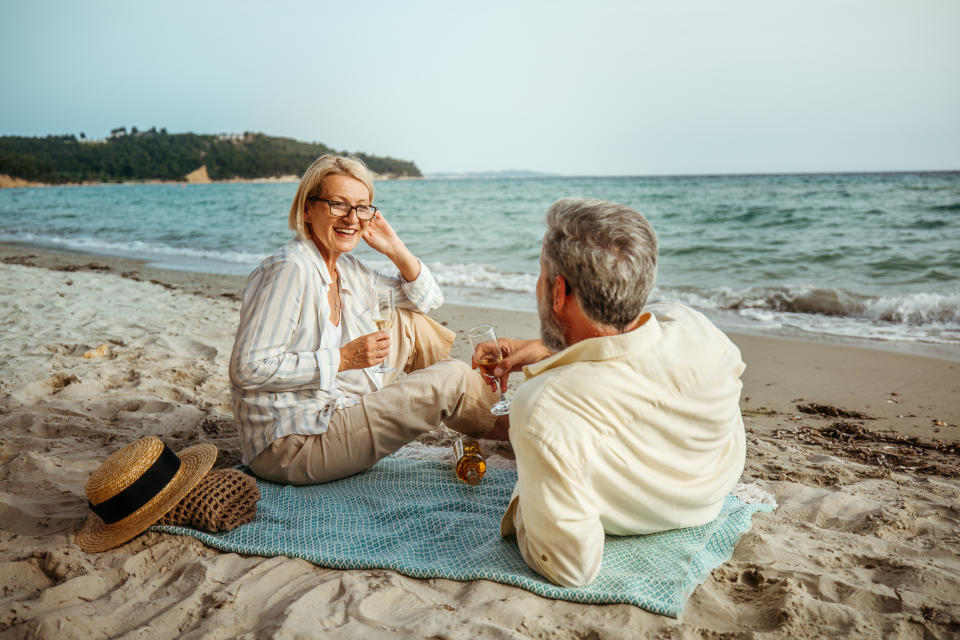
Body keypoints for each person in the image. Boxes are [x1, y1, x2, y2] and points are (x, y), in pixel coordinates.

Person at [483, 197, 746, 587]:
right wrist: (550, 348)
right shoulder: (697, 328)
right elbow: (628, 340)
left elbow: (570, 568)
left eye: (540, 275)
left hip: (645, 514)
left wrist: (526, 499)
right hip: (712, 493)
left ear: (558, 291)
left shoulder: (543, 407)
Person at [229, 155, 499, 485]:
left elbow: (426, 300)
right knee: (454, 378)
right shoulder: (290, 268)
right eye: (338, 205)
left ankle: (475, 407)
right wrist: (342, 359)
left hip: (332, 406)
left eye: (362, 207)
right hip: (293, 443)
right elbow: (248, 369)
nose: (352, 218)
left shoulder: (348, 269)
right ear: (307, 210)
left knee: (409, 320)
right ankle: (505, 422)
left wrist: (395, 247)